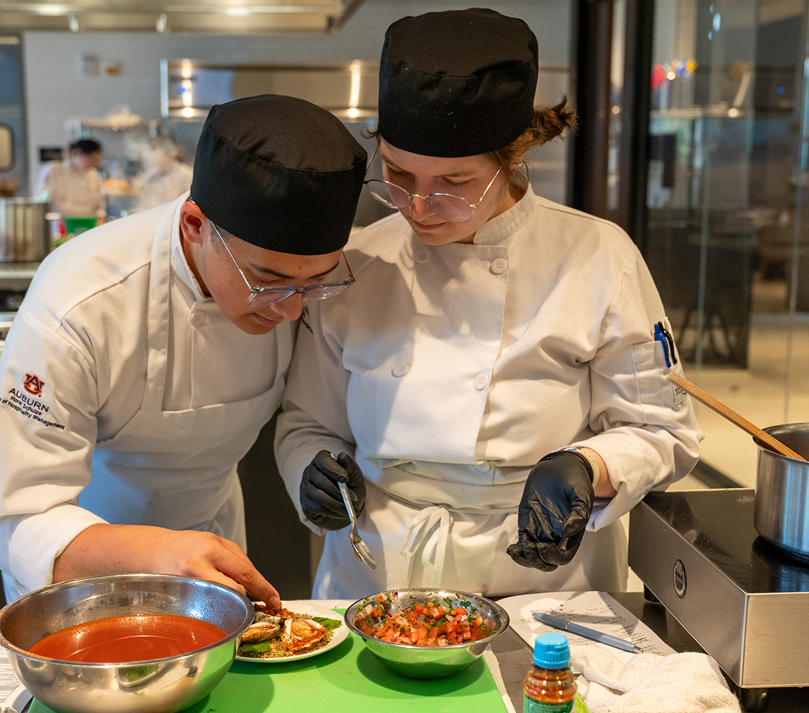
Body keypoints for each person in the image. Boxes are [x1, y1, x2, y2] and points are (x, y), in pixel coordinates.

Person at [274, 9, 702, 600]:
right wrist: (311, 470)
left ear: (513, 155)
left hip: (541, 582)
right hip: (376, 572)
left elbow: (662, 431)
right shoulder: (356, 263)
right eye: (398, 175)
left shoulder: (598, 256)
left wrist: (589, 466)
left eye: (452, 183)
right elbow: (306, 423)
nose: (419, 206)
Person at [0, 94, 367, 604]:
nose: (291, 311)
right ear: (195, 226)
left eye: (315, 283)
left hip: (214, 547)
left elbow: (309, 413)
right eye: (266, 281)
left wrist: (316, 474)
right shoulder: (80, 303)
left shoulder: (296, 289)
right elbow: (15, 519)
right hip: (79, 565)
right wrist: (156, 555)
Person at [35, 138, 106, 220]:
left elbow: (100, 206)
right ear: (78, 153)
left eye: (97, 161)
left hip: (89, 226)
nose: (95, 165)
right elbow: (42, 201)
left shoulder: (93, 174)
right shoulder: (53, 171)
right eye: (92, 160)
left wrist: (100, 219)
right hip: (61, 226)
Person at [136, 143, 195, 213]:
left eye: (159, 159)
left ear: (168, 155)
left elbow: (190, 202)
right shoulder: (151, 175)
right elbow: (144, 200)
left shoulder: (186, 174)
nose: (157, 163)